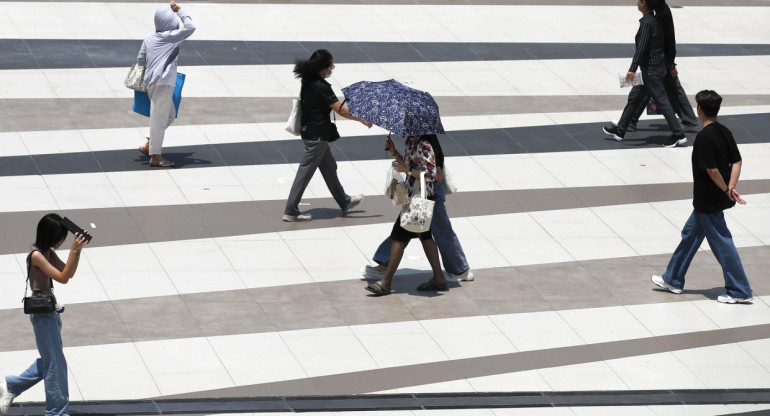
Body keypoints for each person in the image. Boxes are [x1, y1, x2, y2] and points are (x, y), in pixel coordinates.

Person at [651, 90, 753, 304]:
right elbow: (737, 161)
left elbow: (712, 170)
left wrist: (726, 189)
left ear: (700, 110)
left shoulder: (704, 138)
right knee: (690, 235)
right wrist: (731, 186)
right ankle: (673, 279)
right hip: (708, 200)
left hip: (709, 201)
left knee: (723, 244)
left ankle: (739, 290)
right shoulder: (724, 132)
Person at [1, 214, 90, 416]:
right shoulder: (37, 256)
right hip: (43, 315)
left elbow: (69, 272)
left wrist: (78, 251)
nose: (61, 243)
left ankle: (11, 386)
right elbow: (62, 277)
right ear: (49, 235)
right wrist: (74, 250)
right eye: (59, 239)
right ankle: (55, 412)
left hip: (50, 313)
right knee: (55, 365)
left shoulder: (47, 252)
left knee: (51, 361)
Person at [363, 135, 473, 282]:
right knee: (416, 234)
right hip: (416, 194)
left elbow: (435, 176)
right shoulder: (411, 142)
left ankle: (460, 270)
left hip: (430, 194)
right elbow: (411, 165)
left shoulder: (426, 145)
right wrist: (394, 152)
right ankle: (387, 265)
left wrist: (407, 170)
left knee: (437, 232)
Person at [283, 49, 373, 222]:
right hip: (317, 137)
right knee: (305, 173)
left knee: (329, 167)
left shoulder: (308, 79)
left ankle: (345, 201)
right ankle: (291, 210)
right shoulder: (321, 86)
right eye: (331, 65)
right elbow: (342, 110)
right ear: (323, 68)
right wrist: (362, 119)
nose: (332, 67)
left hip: (312, 133)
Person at [603, 0, 686, 148]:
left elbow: (641, 49)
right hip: (656, 67)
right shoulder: (654, 20)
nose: (637, 2)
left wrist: (632, 69)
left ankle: (679, 135)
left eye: (639, 1)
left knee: (662, 101)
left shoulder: (647, 24)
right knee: (635, 97)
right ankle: (620, 130)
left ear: (644, 3)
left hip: (651, 70)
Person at [614, 0, 699, 134]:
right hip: (656, 61)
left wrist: (670, 63)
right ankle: (628, 122)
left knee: (667, 90)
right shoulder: (654, 14)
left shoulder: (660, 15)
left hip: (659, 62)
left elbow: (669, 39)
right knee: (641, 91)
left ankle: (684, 126)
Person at [137, 0, 196, 168]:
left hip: (151, 82)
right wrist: (179, 10)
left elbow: (141, 59)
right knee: (159, 119)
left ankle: (149, 145)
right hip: (163, 82)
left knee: (168, 116)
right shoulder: (170, 37)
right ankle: (155, 157)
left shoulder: (150, 37)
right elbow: (190, 27)